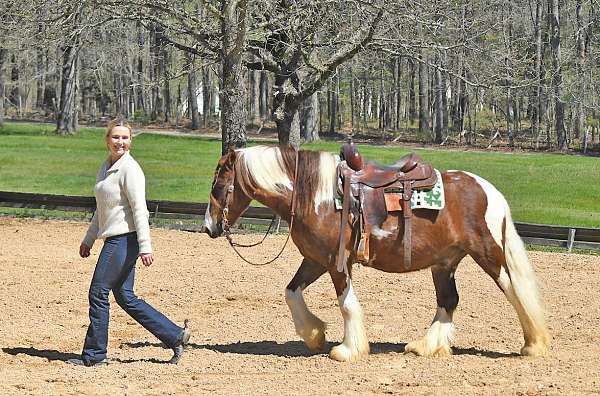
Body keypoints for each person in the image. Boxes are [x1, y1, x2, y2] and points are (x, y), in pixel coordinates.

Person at [68, 120, 190, 367]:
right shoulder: (107, 167)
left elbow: (139, 210)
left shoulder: (130, 170)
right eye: (115, 137)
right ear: (107, 140)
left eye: (125, 138)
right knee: (125, 296)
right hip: (115, 238)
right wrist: (89, 239)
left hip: (125, 239)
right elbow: (103, 210)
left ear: (131, 141)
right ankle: (175, 335)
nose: (120, 142)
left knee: (98, 292)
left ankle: (95, 356)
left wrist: (146, 246)